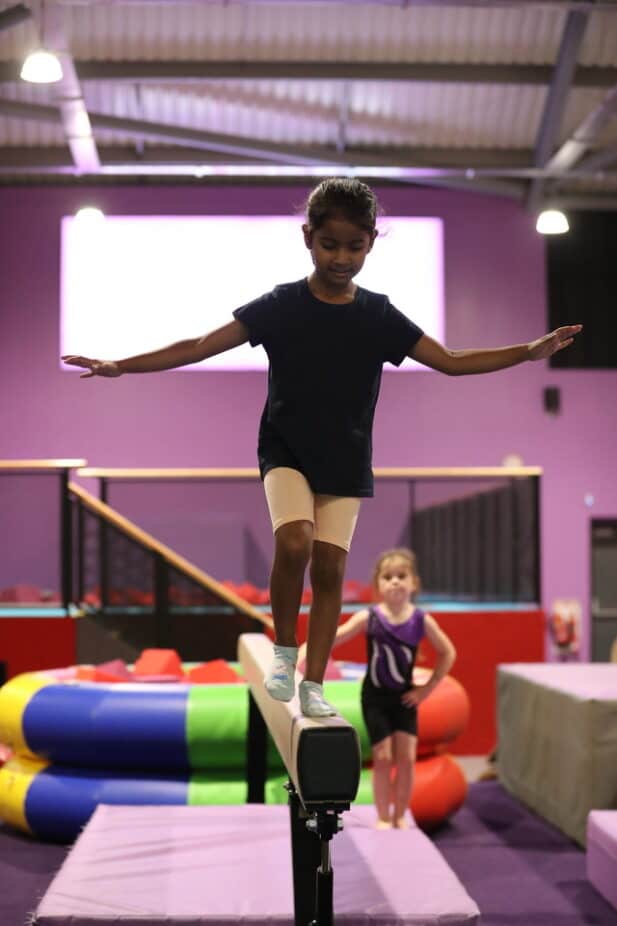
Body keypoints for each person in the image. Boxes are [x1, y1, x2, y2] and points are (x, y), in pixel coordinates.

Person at [62, 177, 582, 719]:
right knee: (295, 544)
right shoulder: (281, 305)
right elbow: (198, 345)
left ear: (371, 243)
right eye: (329, 244)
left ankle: (314, 679)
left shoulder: (379, 314)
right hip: (285, 446)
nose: (341, 257)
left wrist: (527, 351)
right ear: (307, 238)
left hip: (347, 456)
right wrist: (121, 364)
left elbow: (450, 360)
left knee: (331, 568)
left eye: (354, 246)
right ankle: (286, 653)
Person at [299, 547, 455, 829]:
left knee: (406, 758)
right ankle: (384, 816)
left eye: (401, 576)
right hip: (375, 697)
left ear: (413, 583)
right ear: (378, 585)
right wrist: (308, 648)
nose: (395, 581)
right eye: (387, 577)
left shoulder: (421, 620)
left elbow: (448, 653)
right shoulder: (369, 618)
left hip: (404, 698)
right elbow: (336, 636)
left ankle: (400, 816)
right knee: (382, 757)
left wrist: (426, 689)